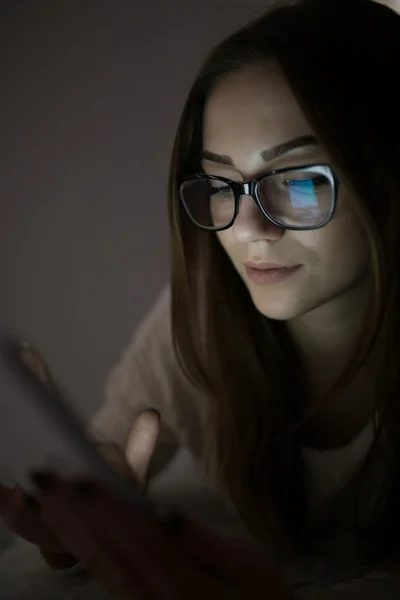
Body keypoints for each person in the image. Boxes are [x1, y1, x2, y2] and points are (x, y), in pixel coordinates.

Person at [1, 0, 400, 596]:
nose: (247, 230)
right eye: (220, 184)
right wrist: (74, 523)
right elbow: (113, 467)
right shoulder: (200, 321)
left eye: (297, 181)